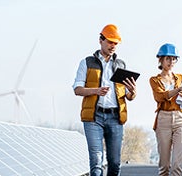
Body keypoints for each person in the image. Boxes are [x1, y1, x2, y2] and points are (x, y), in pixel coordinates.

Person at [72, 24, 137, 176]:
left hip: (115, 117)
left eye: (115, 43)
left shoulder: (121, 65)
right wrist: (96, 91)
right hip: (94, 118)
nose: (113, 46)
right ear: (101, 40)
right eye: (110, 42)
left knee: (114, 163)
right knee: (96, 161)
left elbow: (129, 96)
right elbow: (77, 89)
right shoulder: (87, 63)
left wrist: (133, 91)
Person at [149, 43, 182, 176]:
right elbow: (160, 96)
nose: (171, 62)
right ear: (160, 60)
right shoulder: (154, 80)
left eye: (174, 59)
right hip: (163, 120)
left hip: (181, 119)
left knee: (178, 165)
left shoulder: (181, 78)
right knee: (164, 166)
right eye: (168, 58)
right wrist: (177, 90)